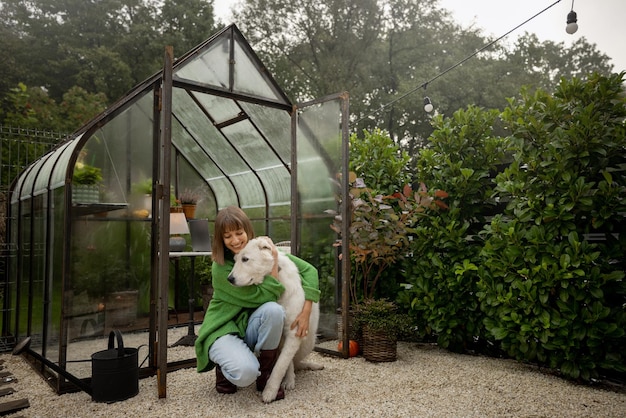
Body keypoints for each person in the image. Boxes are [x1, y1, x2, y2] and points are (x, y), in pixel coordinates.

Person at [194, 206, 320, 401]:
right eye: (228, 236)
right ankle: (223, 364)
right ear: (220, 239)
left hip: (247, 327)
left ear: (247, 231)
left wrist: (306, 310)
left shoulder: (257, 251)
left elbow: (310, 270)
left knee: (274, 311)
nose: (235, 240)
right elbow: (263, 296)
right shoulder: (221, 270)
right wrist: (275, 260)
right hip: (224, 330)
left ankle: (266, 373)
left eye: (239, 233)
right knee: (245, 374)